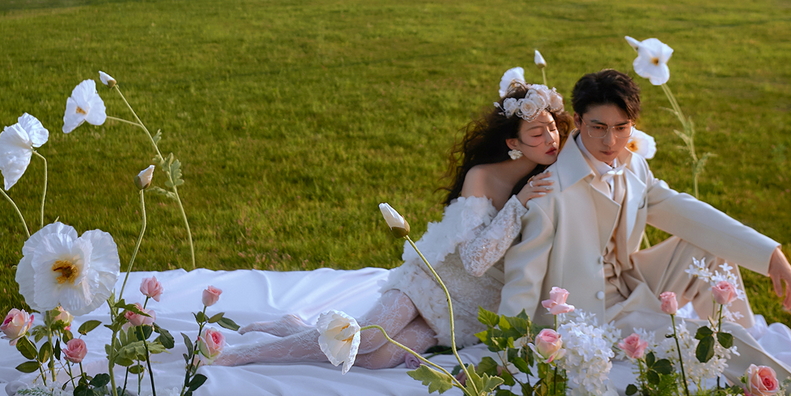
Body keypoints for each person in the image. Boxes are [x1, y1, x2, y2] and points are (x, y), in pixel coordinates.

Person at [217, 69, 574, 368]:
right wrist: (517, 204)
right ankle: (240, 355)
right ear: (514, 143)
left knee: (376, 359)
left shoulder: (552, 175)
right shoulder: (482, 177)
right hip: (435, 281)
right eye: (537, 133)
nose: (551, 139)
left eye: (552, 128)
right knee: (368, 338)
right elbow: (474, 260)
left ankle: (294, 327)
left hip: (468, 309)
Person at [500, 68, 791, 337]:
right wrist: (509, 351)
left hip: (633, 282)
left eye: (621, 128)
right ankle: (737, 357)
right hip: (589, 315)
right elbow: (524, 278)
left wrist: (768, 253)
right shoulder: (549, 190)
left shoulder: (633, 166)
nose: (610, 142)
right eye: (598, 127)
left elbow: (686, 212)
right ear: (578, 120)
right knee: (688, 347)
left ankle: (743, 338)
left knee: (712, 252)